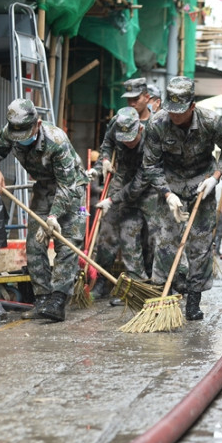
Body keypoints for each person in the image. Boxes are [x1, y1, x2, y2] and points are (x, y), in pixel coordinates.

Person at [0, 98, 89, 322]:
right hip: (43, 189)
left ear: (37, 124)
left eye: (26, 133)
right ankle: (42, 300)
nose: (21, 139)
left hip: (73, 190)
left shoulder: (57, 141)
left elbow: (67, 186)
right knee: (34, 244)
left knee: (67, 243)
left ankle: (58, 301)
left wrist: (53, 217)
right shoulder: (11, 132)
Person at [141, 76, 222, 321]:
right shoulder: (157, 124)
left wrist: (215, 177)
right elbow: (150, 165)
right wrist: (167, 194)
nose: (174, 117)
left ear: (192, 106)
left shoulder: (211, 121)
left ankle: (194, 299)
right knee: (165, 242)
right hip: (170, 185)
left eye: (180, 112)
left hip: (202, 184)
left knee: (200, 246)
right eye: (170, 111)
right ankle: (165, 295)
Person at [91, 107, 159, 306]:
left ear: (139, 129)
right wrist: (104, 159)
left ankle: (150, 285)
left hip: (148, 186)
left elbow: (140, 183)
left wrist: (113, 200)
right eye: (124, 138)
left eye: (131, 138)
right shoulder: (116, 125)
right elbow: (107, 143)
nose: (127, 143)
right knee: (112, 232)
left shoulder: (152, 139)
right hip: (121, 179)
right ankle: (104, 281)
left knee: (151, 238)